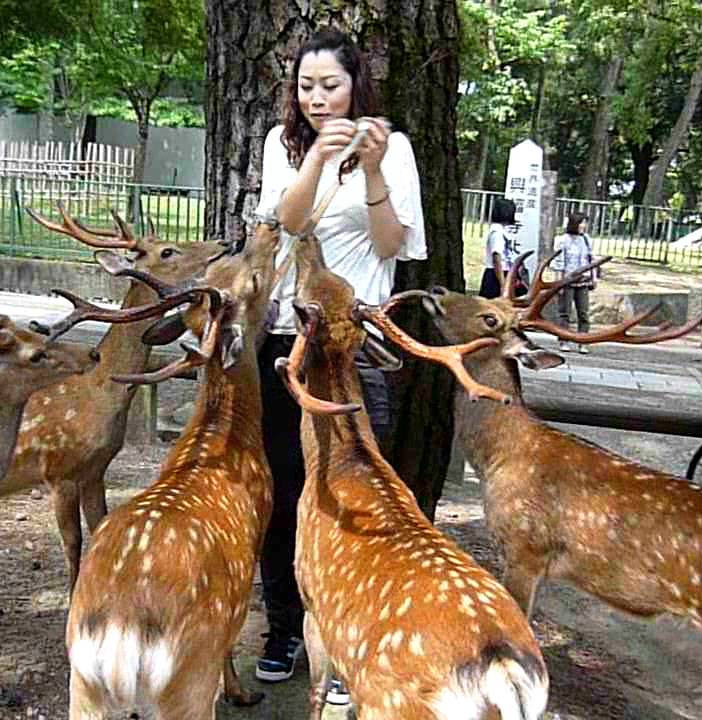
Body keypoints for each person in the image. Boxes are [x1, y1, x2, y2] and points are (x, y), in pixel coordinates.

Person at [253, 27, 427, 704]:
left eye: (331, 85)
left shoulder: (397, 148)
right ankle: (284, 628)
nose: (318, 99)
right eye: (306, 87)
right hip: (289, 339)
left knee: (359, 490)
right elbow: (288, 224)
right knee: (286, 486)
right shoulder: (281, 143)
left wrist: (375, 170)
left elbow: (395, 244)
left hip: (358, 343)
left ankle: (353, 639)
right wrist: (317, 163)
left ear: (357, 85)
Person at [552, 212, 598, 353]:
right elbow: (559, 263)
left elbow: (591, 260)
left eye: (585, 223)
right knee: (565, 312)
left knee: (583, 312)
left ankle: (582, 341)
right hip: (567, 281)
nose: (583, 226)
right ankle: (563, 340)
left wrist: (594, 277)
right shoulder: (563, 240)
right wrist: (558, 283)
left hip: (583, 281)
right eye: (581, 223)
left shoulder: (586, 240)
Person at [478, 198, 523, 298]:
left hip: (505, 273)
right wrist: (503, 284)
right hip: (496, 276)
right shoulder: (496, 232)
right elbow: (496, 258)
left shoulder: (502, 231)